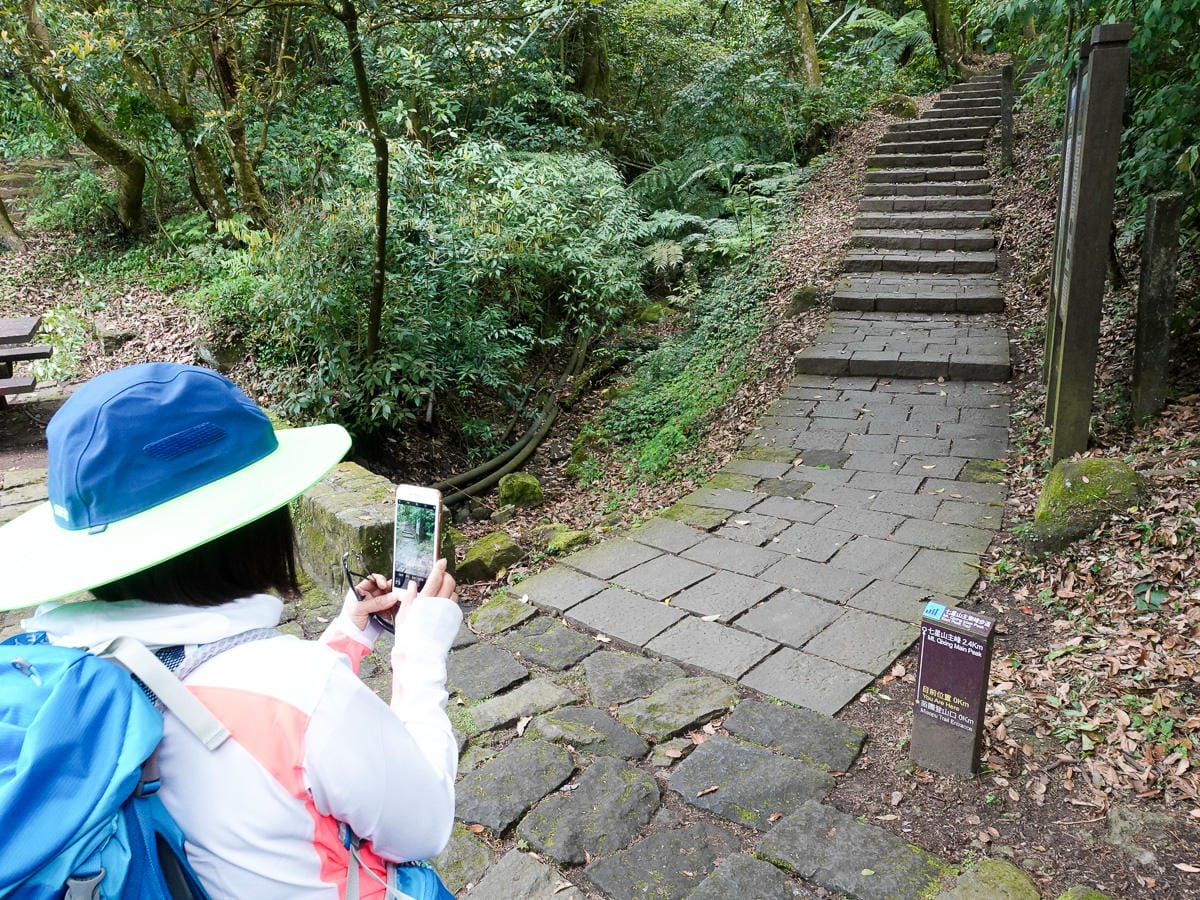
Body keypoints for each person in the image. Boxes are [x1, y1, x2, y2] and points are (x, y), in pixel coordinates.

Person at [0, 362, 461, 899]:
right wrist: (420, 656)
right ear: (258, 529)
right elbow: (424, 827)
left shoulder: (62, 663)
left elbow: (242, 712)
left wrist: (348, 635)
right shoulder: (303, 690)